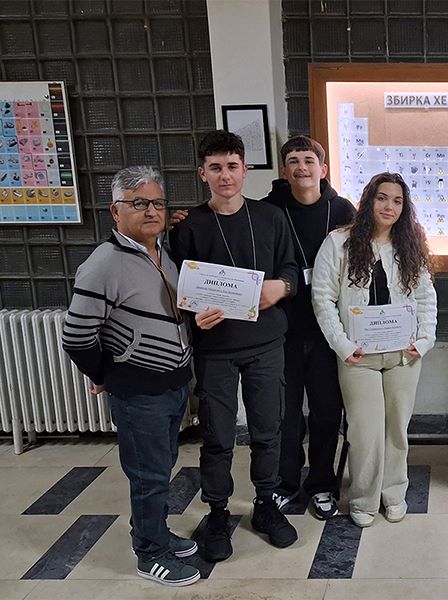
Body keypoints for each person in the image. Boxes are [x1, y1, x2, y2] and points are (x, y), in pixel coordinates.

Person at [62, 166, 199, 587]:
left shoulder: (161, 253)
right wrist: (105, 374)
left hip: (172, 385)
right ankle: (150, 554)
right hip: (139, 393)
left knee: (161, 467)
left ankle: (155, 532)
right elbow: (76, 336)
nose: (151, 211)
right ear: (115, 211)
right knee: (148, 476)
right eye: (138, 203)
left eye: (157, 202)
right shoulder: (104, 264)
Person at [169, 130, 299, 562]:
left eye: (232, 166)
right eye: (215, 168)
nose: (225, 175)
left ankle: (266, 504)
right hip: (216, 348)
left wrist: (281, 287)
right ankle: (218, 512)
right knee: (217, 436)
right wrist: (193, 317)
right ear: (202, 173)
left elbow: (292, 269)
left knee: (268, 429)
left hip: (266, 342)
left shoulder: (270, 217)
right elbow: (179, 289)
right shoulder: (188, 226)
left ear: (245, 169)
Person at [311, 172, 436, 528]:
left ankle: (394, 493)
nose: (389, 206)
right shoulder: (339, 242)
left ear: (404, 208)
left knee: (396, 427)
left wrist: (423, 340)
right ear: (369, 200)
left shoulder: (410, 244)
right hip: (358, 356)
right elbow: (322, 297)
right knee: (364, 430)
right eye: (382, 198)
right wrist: (342, 344)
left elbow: (426, 297)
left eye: (397, 201)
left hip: (403, 355)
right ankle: (364, 497)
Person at [262, 135, 356, 518]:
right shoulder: (267, 210)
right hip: (281, 330)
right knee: (285, 417)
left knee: (326, 413)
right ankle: (285, 484)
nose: (301, 167)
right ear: (284, 170)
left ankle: (322, 485)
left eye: (308, 160)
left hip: (328, 333)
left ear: (323, 169)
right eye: (293, 161)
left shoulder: (344, 210)